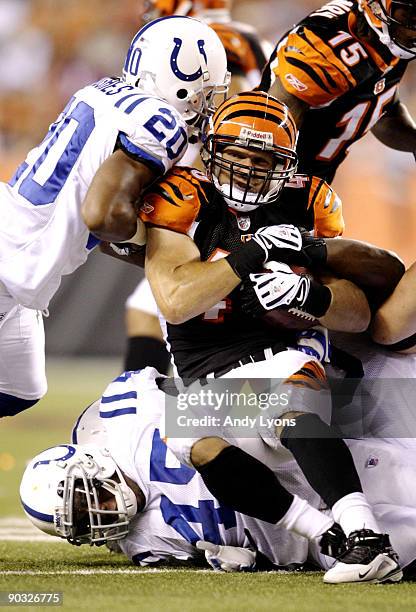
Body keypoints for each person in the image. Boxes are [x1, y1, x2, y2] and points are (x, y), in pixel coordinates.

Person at [130, 90, 404, 582]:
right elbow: (175, 300)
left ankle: (366, 534)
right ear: (212, 152)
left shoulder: (309, 201)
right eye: (237, 158)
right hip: (213, 378)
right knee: (184, 433)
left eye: (263, 161)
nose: (249, 171)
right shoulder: (183, 198)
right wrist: (251, 253)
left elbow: (358, 313)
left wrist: (309, 291)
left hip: (291, 360)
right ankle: (327, 534)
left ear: (287, 165)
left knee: (284, 391)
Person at [0, 15, 230, 417]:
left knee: (20, 388)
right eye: (203, 92)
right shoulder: (162, 125)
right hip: (11, 260)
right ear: (178, 80)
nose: (205, 105)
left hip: (15, 256)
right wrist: (151, 241)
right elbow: (102, 214)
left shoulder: (101, 91)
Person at [20, 366, 416, 580]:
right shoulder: (147, 546)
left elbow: (204, 386)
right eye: (87, 522)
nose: (104, 513)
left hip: (307, 464)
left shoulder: (126, 412)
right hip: (316, 546)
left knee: (271, 411)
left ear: (93, 463)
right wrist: (241, 558)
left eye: (94, 500)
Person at [124, 0, 272, 375]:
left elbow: (236, 128)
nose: (153, 17)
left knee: (165, 310)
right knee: (152, 311)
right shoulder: (247, 38)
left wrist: (195, 182)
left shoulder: (208, 42)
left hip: (219, 196)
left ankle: (157, 412)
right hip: (232, 191)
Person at [259, 0, 416, 183]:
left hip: (308, 185)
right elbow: (267, 127)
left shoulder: (384, 38)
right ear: (376, 5)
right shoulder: (327, 45)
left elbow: (382, 111)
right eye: (410, 15)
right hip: (275, 184)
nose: (413, 29)